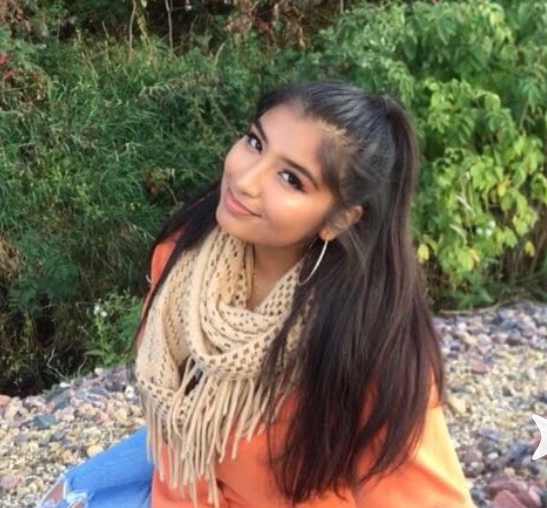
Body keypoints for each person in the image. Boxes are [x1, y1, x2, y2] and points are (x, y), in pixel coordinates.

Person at [37, 79, 476, 508]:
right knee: (66, 497)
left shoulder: (365, 343)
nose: (245, 180)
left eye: (290, 179)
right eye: (254, 142)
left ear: (338, 220)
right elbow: (173, 429)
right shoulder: (182, 258)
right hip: (188, 473)